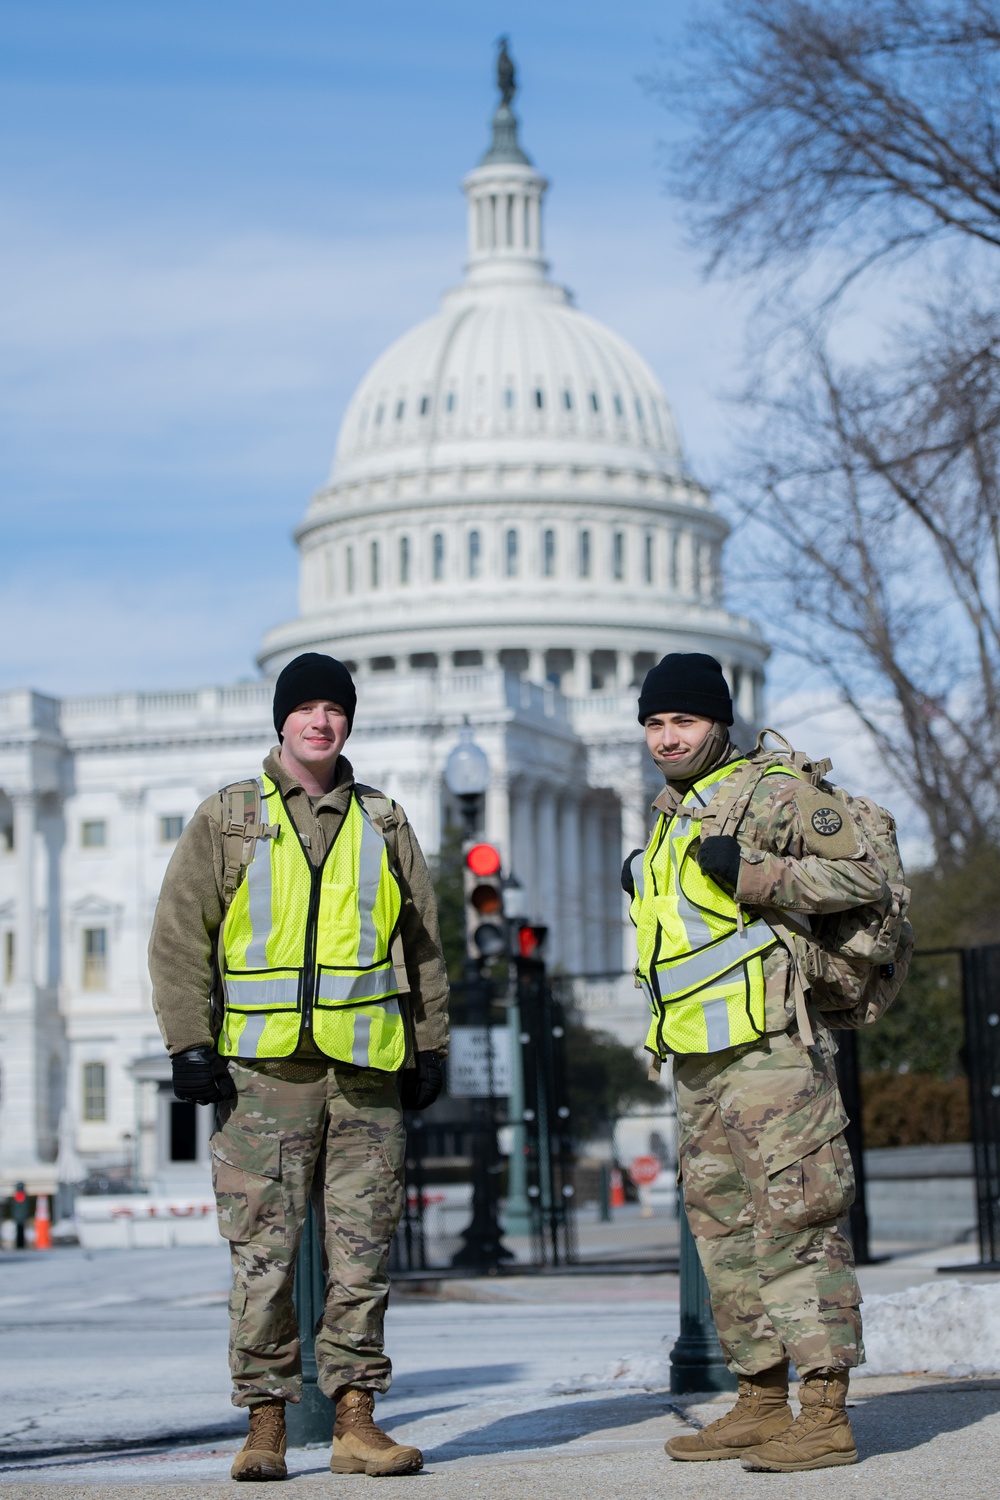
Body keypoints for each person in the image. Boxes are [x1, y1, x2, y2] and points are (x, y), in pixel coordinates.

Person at [149, 652, 449, 1483]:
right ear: (281, 720)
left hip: (364, 1074)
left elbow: (422, 947)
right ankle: (267, 1422)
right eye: (306, 707)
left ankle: (357, 1419)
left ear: (350, 721)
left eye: (335, 708)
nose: (321, 720)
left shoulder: (384, 822)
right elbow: (180, 938)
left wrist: (431, 1046)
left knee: (363, 1256)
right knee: (262, 1257)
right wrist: (189, 1044)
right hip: (262, 1078)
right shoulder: (230, 818)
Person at [624, 653, 887, 1473]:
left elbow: (866, 873)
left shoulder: (772, 792)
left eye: (685, 722)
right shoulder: (669, 814)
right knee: (724, 1234)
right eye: (657, 723)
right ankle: (762, 1399)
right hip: (699, 1057)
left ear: (718, 724)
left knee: (797, 1224)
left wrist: (758, 873)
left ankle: (824, 1410)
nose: (669, 737)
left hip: (772, 1048)